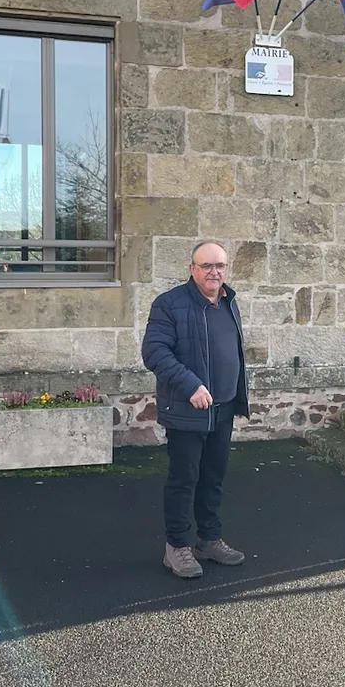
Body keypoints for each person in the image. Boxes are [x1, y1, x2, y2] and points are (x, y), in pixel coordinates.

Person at [141, 240, 250, 579]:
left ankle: (209, 539)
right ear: (192, 269)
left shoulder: (229, 303)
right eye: (207, 266)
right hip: (187, 411)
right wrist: (191, 385)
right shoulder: (169, 305)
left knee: (213, 478)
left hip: (222, 409)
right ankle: (176, 547)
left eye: (220, 266)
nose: (214, 272)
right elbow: (154, 353)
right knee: (184, 479)